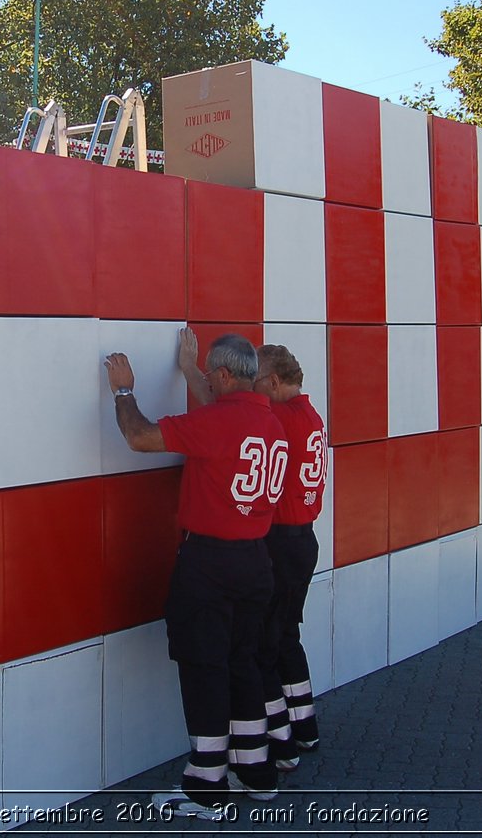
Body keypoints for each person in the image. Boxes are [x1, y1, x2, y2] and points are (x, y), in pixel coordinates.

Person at [105, 332, 286, 817]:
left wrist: (124, 390)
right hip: (256, 561)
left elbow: (140, 437)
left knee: (205, 667)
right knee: (244, 662)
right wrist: (190, 369)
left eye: (209, 374)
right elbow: (222, 414)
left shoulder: (219, 423)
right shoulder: (271, 423)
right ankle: (257, 771)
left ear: (224, 376)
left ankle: (207, 786)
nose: (206, 380)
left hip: (211, 565)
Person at [181, 335, 325, 771]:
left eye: (255, 380)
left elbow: (225, 413)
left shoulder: (278, 416)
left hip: (280, 543)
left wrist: (190, 369)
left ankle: (279, 743)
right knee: (283, 639)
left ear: (275, 382)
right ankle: (302, 729)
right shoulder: (309, 414)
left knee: (261, 648)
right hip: (302, 540)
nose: (248, 389)